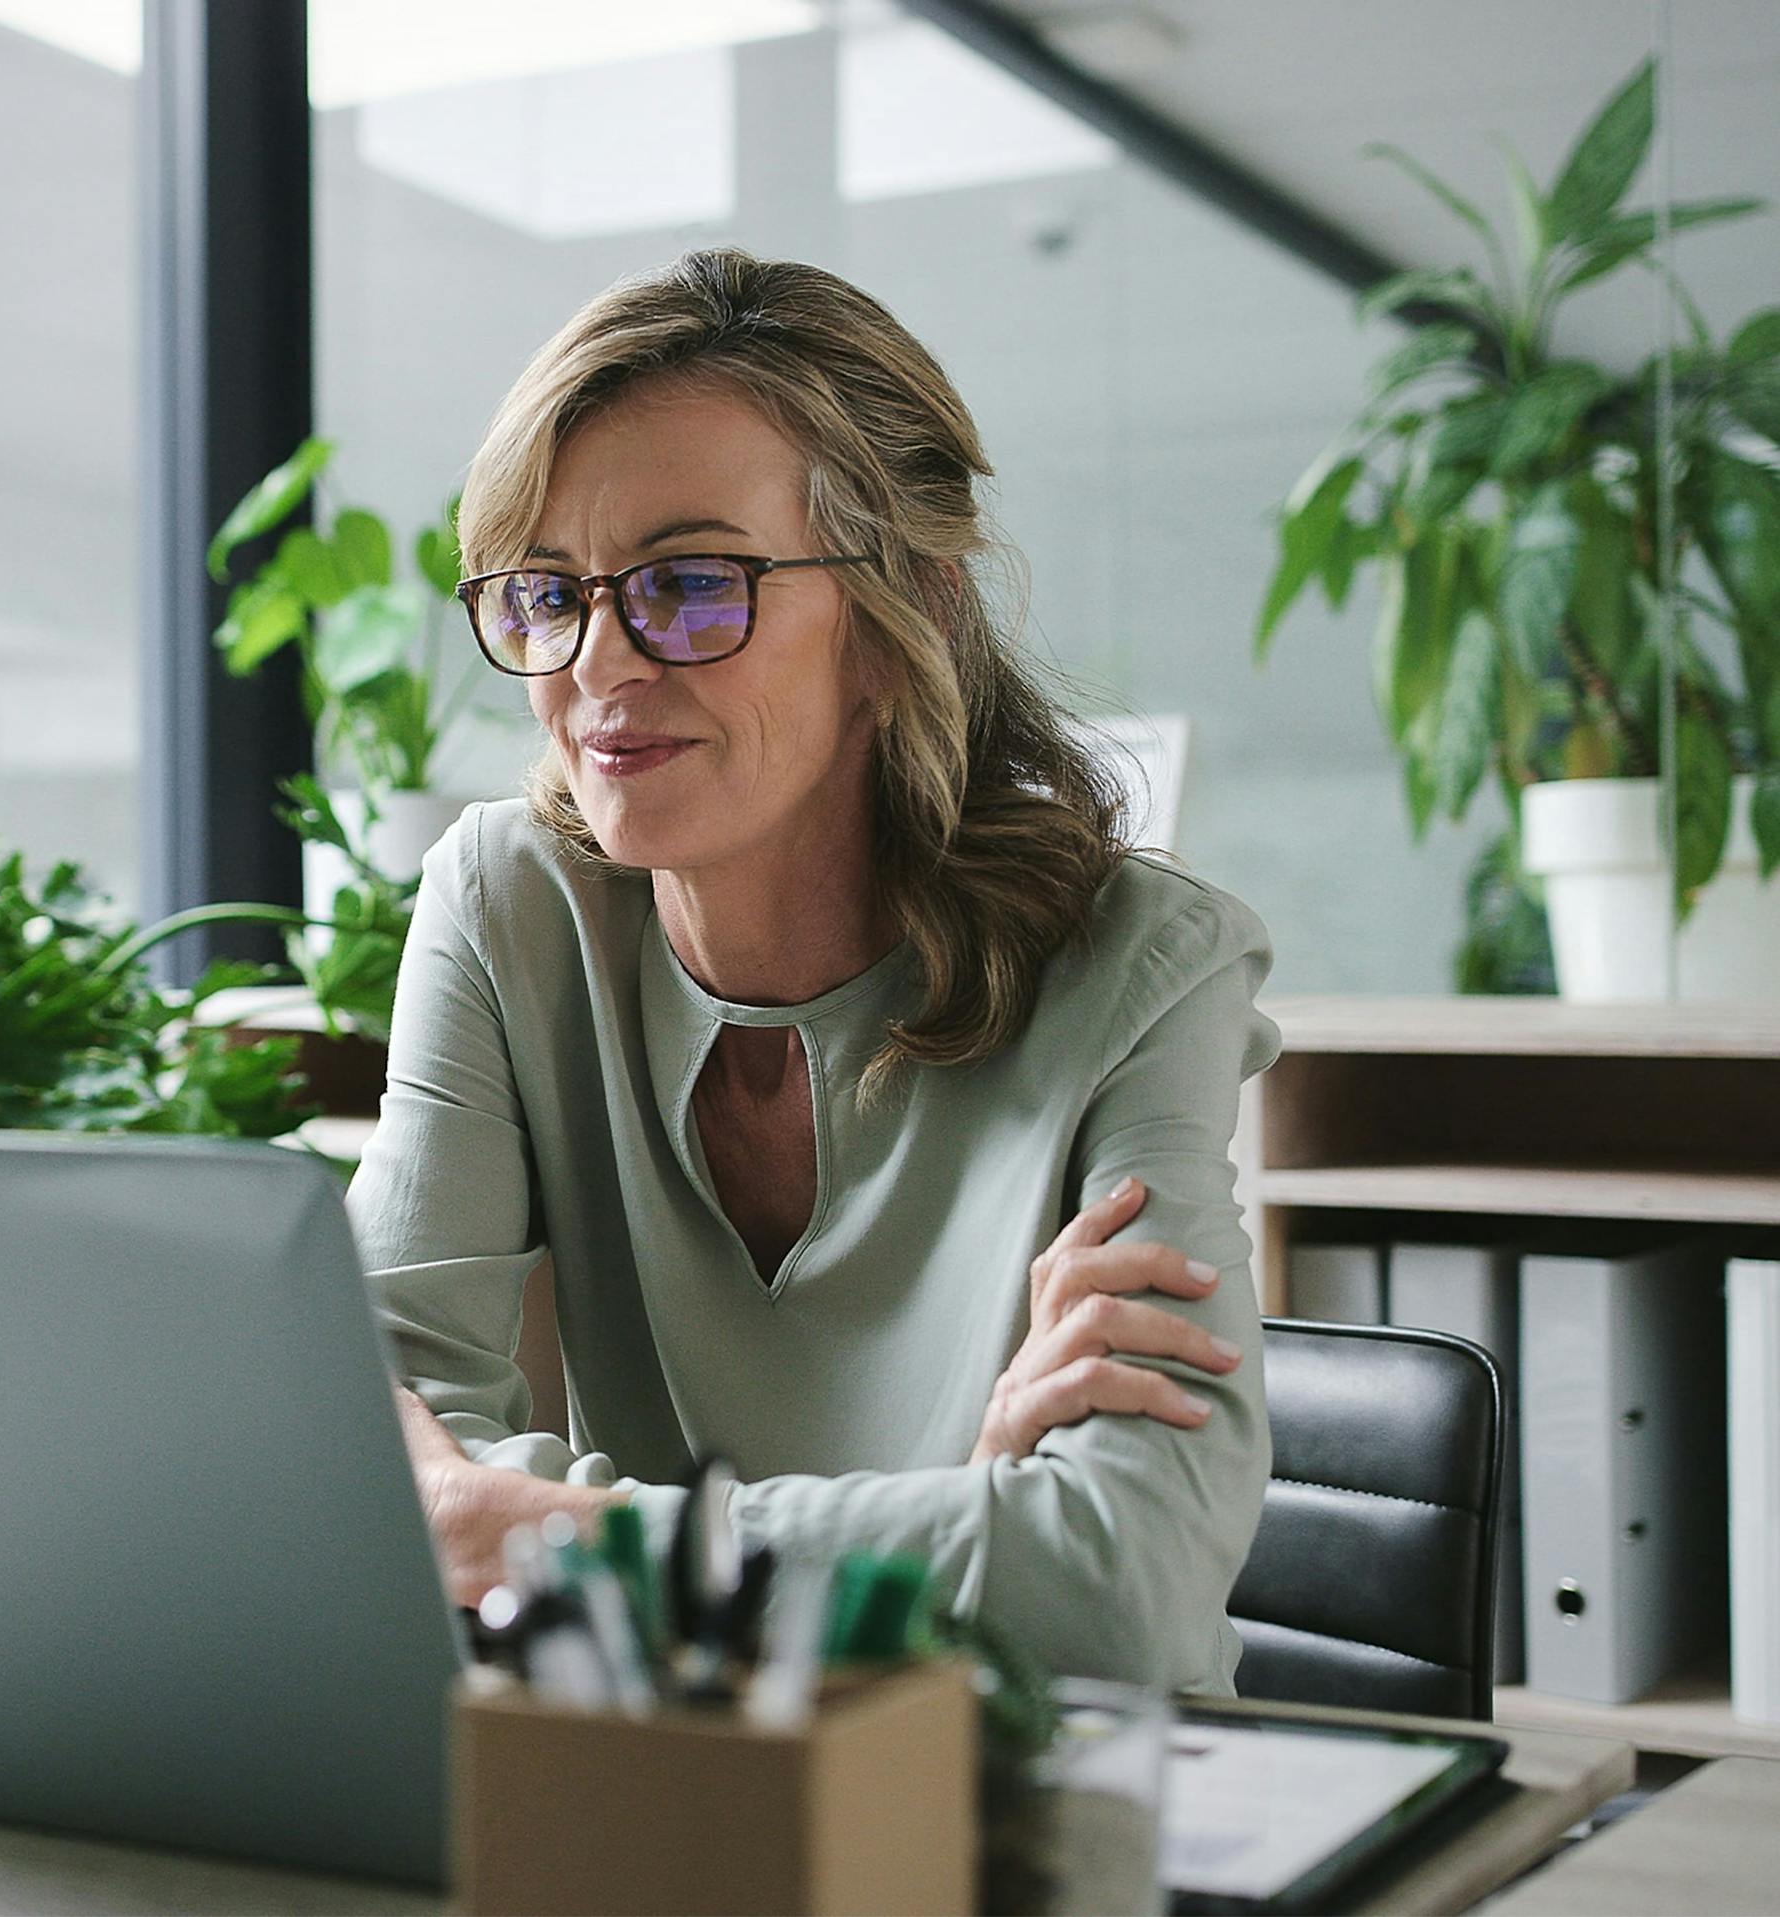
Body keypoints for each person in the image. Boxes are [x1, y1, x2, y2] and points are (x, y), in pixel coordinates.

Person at [348, 248, 1279, 1693]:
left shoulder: (1144, 970)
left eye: (691, 584)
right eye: (546, 592)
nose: (599, 661)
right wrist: (954, 1531)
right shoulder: (507, 907)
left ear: (901, 615)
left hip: (1046, 1825)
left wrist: (537, 1529)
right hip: (659, 1802)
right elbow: (361, 1469)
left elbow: (1119, 1586)